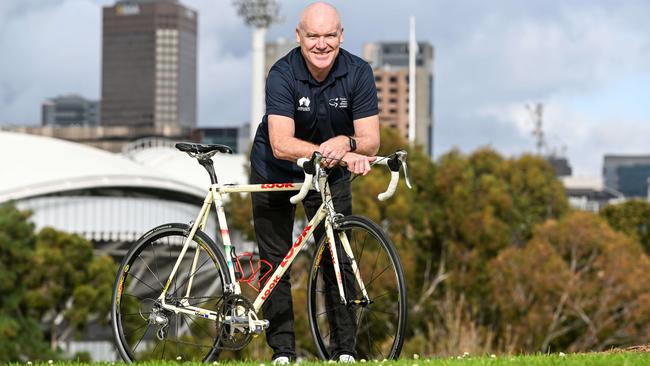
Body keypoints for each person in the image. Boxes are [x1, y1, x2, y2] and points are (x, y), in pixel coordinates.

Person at [249, 2, 380, 364]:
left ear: (340, 36)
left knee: (336, 254)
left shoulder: (358, 72)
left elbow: (370, 138)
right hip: (277, 167)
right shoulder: (281, 73)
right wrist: (329, 150)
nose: (321, 44)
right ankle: (283, 353)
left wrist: (349, 144)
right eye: (313, 36)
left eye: (328, 36)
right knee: (275, 261)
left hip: (329, 169)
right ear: (298, 36)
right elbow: (281, 142)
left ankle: (344, 351)